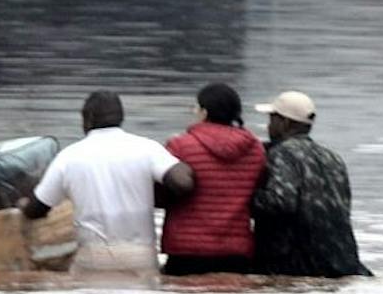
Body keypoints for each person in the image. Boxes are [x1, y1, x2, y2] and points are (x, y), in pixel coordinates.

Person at [21, 90, 195, 270]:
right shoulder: (147, 148)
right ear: (121, 117)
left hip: (94, 257)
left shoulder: (68, 157)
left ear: (87, 119)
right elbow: (183, 182)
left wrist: (23, 204)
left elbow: (37, 209)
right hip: (141, 256)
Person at [250, 90, 371, 279]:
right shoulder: (333, 157)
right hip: (342, 259)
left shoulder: (282, 153)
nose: (269, 125)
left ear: (286, 123)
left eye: (272, 119)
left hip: (298, 263)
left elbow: (281, 201)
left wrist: (243, 198)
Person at [161, 82, 266, 277]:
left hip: (187, 250)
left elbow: (163, 194)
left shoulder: (180, 146)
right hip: (236, 251)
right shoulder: (255, 149)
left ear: (203, 111)